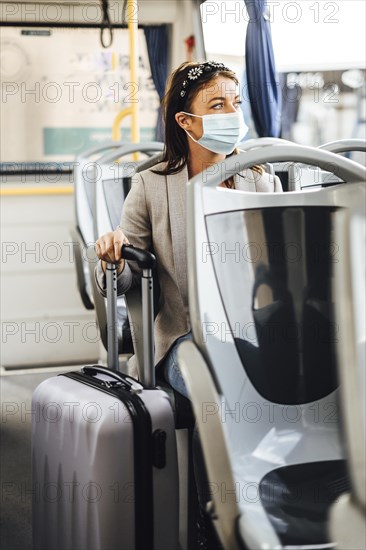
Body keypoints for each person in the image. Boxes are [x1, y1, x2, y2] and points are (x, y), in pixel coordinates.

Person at [95, 60, 282, 397]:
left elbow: (285, 265)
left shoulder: (261, 181)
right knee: (233, 388)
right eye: (217, 105)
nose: (233, 114)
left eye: (236, 104)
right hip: (187, 337)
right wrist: (114, 258)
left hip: (260, 326)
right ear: (185, 121)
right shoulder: (151, 186)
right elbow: (124, 282)